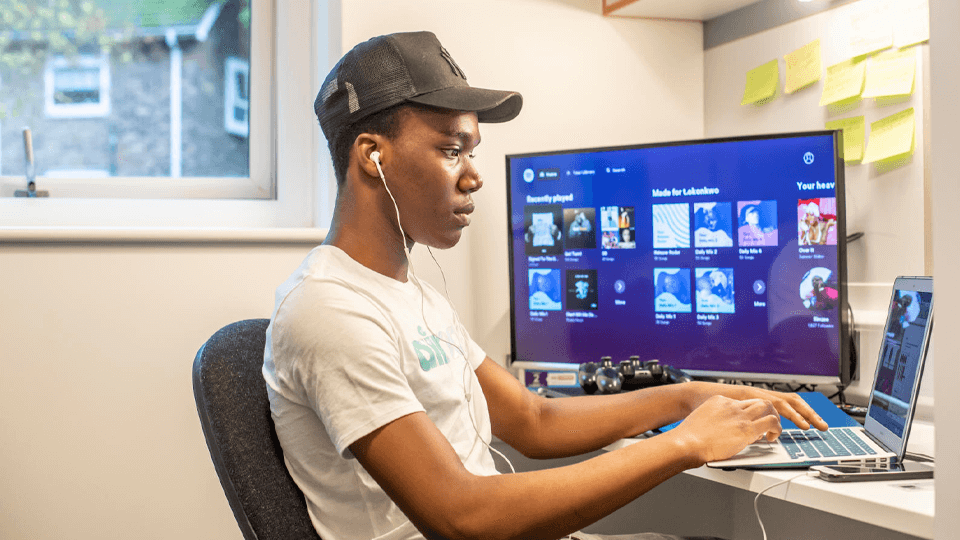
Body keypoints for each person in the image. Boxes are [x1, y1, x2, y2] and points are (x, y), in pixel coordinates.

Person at [262, 31, 827, 540]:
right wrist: (683, 443)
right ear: (372, 156)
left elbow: (533, 421)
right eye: (450, 150)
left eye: (472, 152)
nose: (474, 174)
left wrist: (690, 396)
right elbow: (463, 517)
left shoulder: (413, 297)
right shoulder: (329, 311)